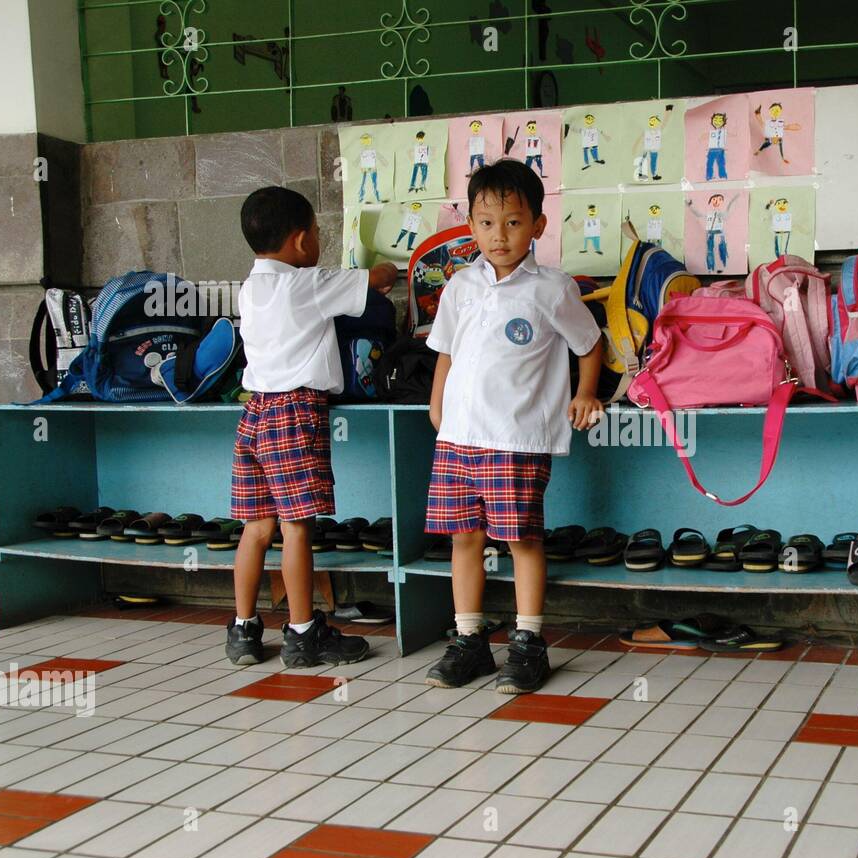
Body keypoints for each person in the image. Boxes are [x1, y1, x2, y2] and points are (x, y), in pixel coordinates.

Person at [423, 160, 603, 694]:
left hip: (516, 439)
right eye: (484, 223)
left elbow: (590, 345)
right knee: (465, 539)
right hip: (458, 437)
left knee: (521, 539)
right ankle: (469, 641)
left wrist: (586, 392)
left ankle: (527, 643)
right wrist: (438, 408)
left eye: (512, 223)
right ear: (471, 225)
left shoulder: (552, 288)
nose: (497, 236)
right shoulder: (459, 286)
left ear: (538, 227)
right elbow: (445, 352)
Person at [226, 186, 397, 668]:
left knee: (256, 528)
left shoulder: (251, 286)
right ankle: (303, 634)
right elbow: (377, 280)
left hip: (254, 413)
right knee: (296, 528)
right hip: (295, 413)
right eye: (319, 233)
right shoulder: (307, 282)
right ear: (301, 241)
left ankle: (243, 631)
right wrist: (389, 267)